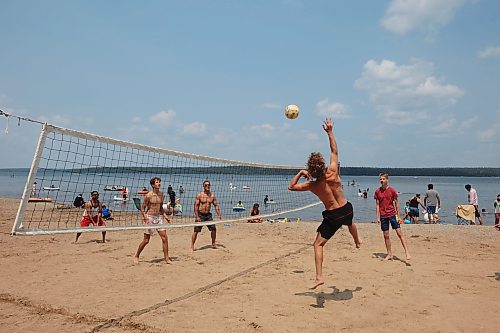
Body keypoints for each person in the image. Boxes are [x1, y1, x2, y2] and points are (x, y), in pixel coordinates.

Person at [288, 118, 361, 289]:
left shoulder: (312, 184)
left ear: (311, 170)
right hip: (347, 208)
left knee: (318, 244)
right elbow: (334, 151)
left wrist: (300, 172)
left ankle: (319, 277)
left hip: (333, 215)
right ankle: (357, 240)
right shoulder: (333, 172)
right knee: (350, 221)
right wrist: (330, 132)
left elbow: (291, 187)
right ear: (323, 165)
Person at [134, 177, 172, 265]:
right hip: (150, 217)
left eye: (159, 182)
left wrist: (165, 216)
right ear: (152, 185)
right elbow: (142, 208)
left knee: (165, 238)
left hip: (158, 217)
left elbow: (161, 207)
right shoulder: (148, 195)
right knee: (146, 240)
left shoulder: (162, 195)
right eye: (157, 182)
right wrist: (145, 217)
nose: (159, 183)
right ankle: (136, 255)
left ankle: (167, 259)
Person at [374, 173, 411, 261]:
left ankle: (407, 252)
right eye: (380, 179)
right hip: (383, 216)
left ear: (387, 180)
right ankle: (389, 253)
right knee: (386, 235)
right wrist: (377, 217)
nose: (381, 181)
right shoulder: (377, 191)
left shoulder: (392, 191)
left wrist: (398, 217)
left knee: (399, 233)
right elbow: (377, 205)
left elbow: (396, 204)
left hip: (392, 214)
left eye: (383, 179)